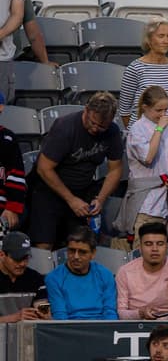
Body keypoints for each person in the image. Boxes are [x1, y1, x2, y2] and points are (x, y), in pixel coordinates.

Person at [28, 94, 123, 250]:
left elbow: (115, 169)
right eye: (93, 123)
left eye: (102, 127)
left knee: (82, 244)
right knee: (44, 244)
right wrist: (71, 200)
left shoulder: (112, 132)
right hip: (49, 189)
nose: (95, 129)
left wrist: (100, 199)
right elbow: (44, 168)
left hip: (82, 189)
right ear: (86, 110)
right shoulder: (65, 127)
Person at [119, 85, 168, 240]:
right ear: (145, 108)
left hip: (163, 205)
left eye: (165, 110)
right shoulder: (137, 129)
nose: (163, 114)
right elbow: (148, 157)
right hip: (143, 205)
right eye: (158, 110)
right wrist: (159, 130)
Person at [116, 221, 168, 320]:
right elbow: (121, 312)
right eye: (148, 244)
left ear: (166, 247)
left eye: (160, 244)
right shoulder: (124, 272)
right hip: (135, 325)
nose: (155, 249)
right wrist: (140, 313)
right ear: (140, 248)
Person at [118, 18, 168, 125]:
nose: (166, 41)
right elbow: (124, 110)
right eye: (161, 36)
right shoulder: (135, 68)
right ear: (149, 39)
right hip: (142, 137)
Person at [44, 227, 117, 319]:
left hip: (102, 328)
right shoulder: (54, 278)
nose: (76, 256)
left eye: (82, 252)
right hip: (69, 330)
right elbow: (60, 316)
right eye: (72, 250)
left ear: (93, 253)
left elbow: (110, 312)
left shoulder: (105, 275)